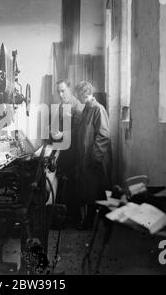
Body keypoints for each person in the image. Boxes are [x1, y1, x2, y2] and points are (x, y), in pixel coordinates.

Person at [74, 81, 112, 230]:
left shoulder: (98, 109)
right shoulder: (86, 110)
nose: (78, 98)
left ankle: (98, 224)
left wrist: (95, 158)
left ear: (86, 94)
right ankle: (90, 222)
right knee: (90, 192)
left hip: (95, 159)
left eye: (79, 95)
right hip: (86, 158)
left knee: (97, 192)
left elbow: (103, 135)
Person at [51, 79, 84, 226]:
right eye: (58, 91)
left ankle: (74, 219)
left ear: (69, 90)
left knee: (72, 185)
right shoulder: (61, 105)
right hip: (64, 149)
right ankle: (61, 218)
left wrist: (62, 134)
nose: (60, 93)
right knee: (63, 183)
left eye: (63, 90)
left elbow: (79, 132)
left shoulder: (77, 106)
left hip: (74, 151)